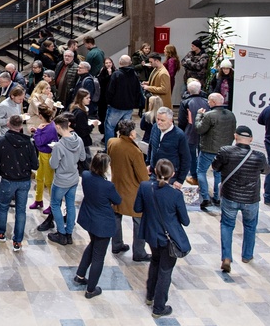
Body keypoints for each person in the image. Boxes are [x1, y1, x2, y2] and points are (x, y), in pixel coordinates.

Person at [135, 159, 191, 319]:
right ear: (172, 174)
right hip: (168, 238)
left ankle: (150, 295)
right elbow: (185, 221)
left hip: (151, 235)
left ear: (154, 171)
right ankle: (159, 307)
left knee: (155, 262)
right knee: (165, 271)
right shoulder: (175, 194)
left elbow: (137, 208)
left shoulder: (145, 187)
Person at [212, 126, 269, 272]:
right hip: (250, 199)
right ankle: (247, 255)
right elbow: (267, 170)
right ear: (250, 139)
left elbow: (215, 167)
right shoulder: (259, 156)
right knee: (250, 226)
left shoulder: (225, 151)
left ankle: (226, 257)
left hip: (230, 196)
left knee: (227, 225)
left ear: (235, 136)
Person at [74, 153, 121, 299]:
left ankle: (80, 275)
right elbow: (117, 200)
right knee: (99, 256)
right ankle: (91, 289)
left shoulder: (86, 176)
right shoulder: (108, 186)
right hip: (103, 224)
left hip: (89, 218)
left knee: (92, 245)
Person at [0, 115, 39, 252]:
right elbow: (35, 165)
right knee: (21, 211)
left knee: (3, 206)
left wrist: (1, 172)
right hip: (24, 181)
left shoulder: (0, 142)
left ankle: (0, 232)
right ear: (21, 126)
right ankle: (17, 241)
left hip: (8, 180)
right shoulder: (29, 143)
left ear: (8, 124)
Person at [107, 120, 151, 261]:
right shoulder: (134, 151)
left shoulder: (112, 142)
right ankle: (139, 252)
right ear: (132, 132)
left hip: (116, 185)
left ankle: (116, 244)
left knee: (116, 216)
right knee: (139, 221)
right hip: (132, 191)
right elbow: (143, 177)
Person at [44, 113, 85, 244]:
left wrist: (53, 155)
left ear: (58, 127)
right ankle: (69, 233)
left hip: (61, 180)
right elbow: (83, 158)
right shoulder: (78, 140)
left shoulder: (59, 146)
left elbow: (53, 164)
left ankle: (61, 233)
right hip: (73, 178)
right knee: (70, 205)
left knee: (55, 205)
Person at [194, 93, 237, 211]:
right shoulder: (231, 115)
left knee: (201, 171)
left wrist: (198, 115)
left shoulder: (208, 115)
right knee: (218, 173)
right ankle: (217, 197)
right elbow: (233, 131)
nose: (207, 103)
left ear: (213, 102)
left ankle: (206, 198)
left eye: (209, 101)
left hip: (208, 149)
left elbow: (199, 129)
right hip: (224, 150)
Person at [147, 108, 191, 188]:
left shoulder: (179, 135)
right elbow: (151, 147)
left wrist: (180, 180)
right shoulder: (155, 128)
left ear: (170, 121)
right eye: (158, 119)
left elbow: (186, 159)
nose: (159, 122)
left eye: (162, 120)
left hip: (170, 177)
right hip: (154, 173)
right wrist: (149, 163)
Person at [177, 80, 209, 186]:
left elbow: (181, 120)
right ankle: (201, 176)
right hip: (204, 133)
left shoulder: (185, 102)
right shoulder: (206, 101)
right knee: (201, 154)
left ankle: (194, 176)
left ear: (188, 90)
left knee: (191, 155)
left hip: (190, 132)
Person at [105, 55, 142, 142]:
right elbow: (138, 91)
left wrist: (108, 102)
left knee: (110, 126)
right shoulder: (134, 75)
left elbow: (110, 91)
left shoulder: (116, 74)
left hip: (115, 106)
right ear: (130, 63)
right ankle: (123, 146)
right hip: (129, 107)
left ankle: (110, 148)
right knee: (126, 129)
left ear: (120, 63)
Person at [96, 57, 115, 133]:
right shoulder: (102, 71)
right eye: (106, 63)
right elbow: (101, 81)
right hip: (103, 96)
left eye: (109, 63)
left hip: (111, 96)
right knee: (102, 114)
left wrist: (110, 74)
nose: (108, 64)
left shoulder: (115, 71)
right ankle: (102, 129)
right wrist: (108, 75)